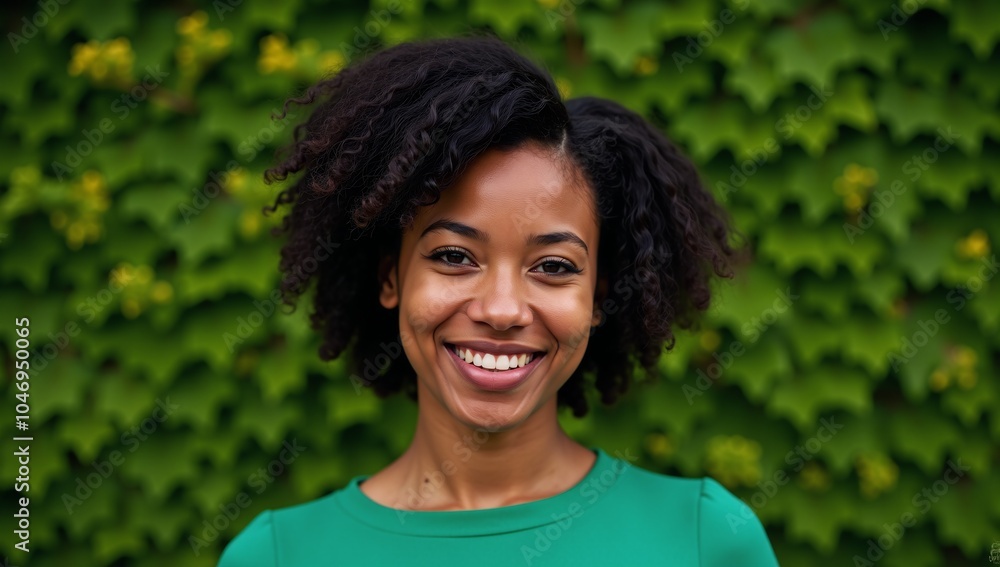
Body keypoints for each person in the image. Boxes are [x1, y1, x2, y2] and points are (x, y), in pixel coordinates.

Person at [217, 33, 780, 566]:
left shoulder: (706, 540)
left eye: (553, 266)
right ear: (392, 278)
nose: (503, 310)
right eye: (454, 256)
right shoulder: (277, 555)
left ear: (598, 298)